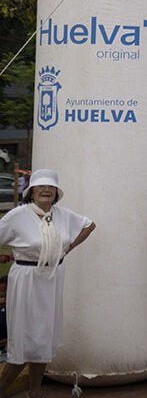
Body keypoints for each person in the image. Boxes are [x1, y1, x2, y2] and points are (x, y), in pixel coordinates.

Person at [0, 170, 95, 398]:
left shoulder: (61, 215)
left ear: (56, 193)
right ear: (31, 191)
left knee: (43, 339)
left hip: (51, 279)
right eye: (41, 187)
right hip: (26, 279)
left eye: (51, 187)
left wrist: (67, 248)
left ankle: (34, 392)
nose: (46, 190)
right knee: (21, 341)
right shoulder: (17, 216)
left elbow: (89, 225)